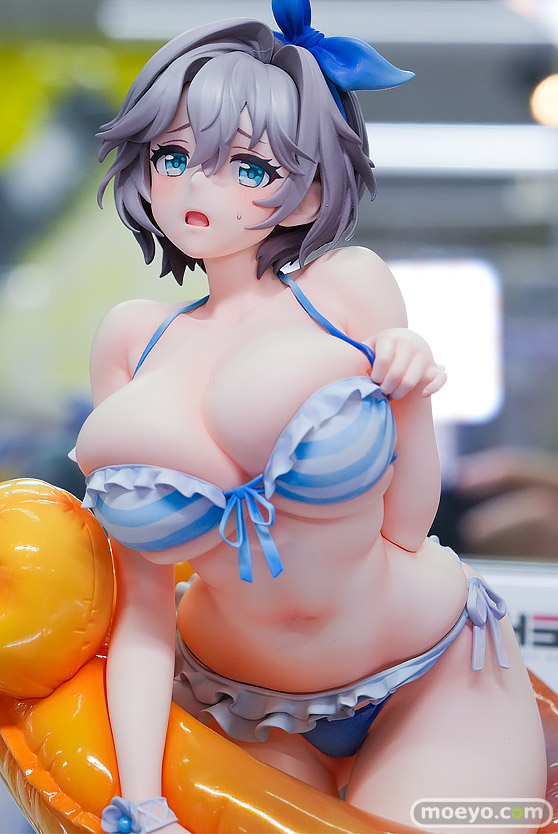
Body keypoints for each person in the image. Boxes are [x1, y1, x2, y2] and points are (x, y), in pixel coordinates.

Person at [74, 2, 546, 831]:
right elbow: (139, 607)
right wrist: (138, 799)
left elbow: (408, 526)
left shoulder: (347, 290)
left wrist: (410, 394)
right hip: (236, 702)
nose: (197, 185)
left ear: (308, 193)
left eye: (248, 167)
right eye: (173, 156)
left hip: (431, 671)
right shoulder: (131, 341)